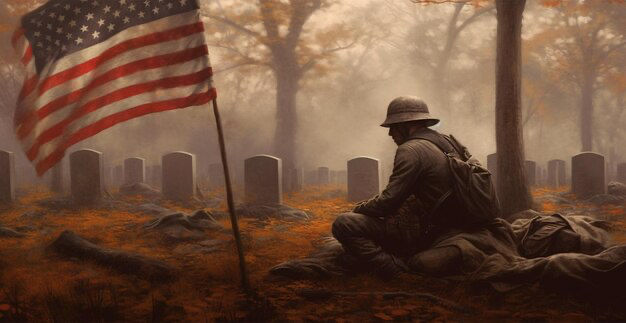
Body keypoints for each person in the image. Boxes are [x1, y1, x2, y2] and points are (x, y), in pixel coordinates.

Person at [332, 96, 468, 279]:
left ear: (407, 126)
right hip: (453, 224)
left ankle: (394, 270)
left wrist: (358, 209)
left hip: (427, 230)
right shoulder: (446, 142)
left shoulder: (410, 149)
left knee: (344, 224)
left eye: (393, 127)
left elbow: (388, 201)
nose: (390, 134)